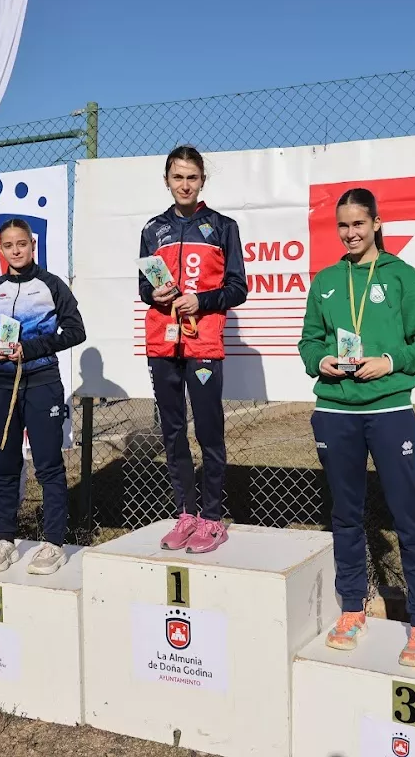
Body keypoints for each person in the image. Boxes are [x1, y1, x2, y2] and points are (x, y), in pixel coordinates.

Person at [297, 187, 415, 668]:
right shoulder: (326, 280)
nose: (350, 233)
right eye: (343, 225)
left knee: (407, 516)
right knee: (345, 515)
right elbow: (308, 341)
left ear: (376, 224)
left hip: (389, 411)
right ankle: (352, 610)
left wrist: (389, 361)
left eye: (359, 223)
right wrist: (321, 361)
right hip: (335, 411)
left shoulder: (402, 276)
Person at [139, 146, 248, 554]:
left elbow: (238, 288)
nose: (185, 185)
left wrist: (200, 300)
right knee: (171, 431)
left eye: (192, 177)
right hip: (162, 342)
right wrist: (154, 293)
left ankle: (212, 518)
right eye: (178, 177)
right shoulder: (153, 229)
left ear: (203, 181)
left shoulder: (222, 227)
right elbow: (143, 285)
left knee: (208, 430)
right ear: (166, 181)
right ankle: (186, 513)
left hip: (203, 342)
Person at [0, 218, 86, 574]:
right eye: (9, 245)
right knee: (5, 465)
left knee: (48, 465)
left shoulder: (51, 285)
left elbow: (76, 331)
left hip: (41, 382)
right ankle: (5, 539)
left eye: (22, 244)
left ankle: (53, 543)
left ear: (32, 245)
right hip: (0, 385)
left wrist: (32, 348)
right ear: (1, 249)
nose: (16, 250)